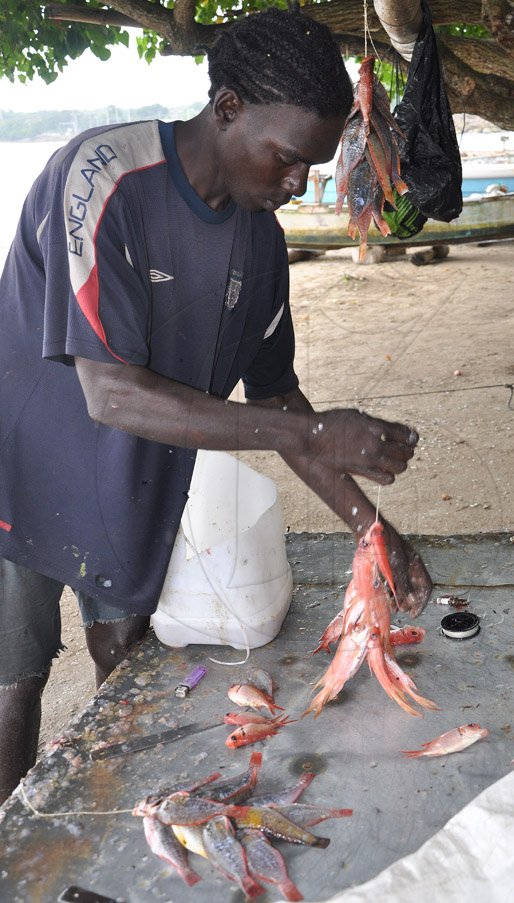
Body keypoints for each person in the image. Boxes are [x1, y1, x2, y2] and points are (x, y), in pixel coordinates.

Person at [0, 7, 432, 804]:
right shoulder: (102, 179)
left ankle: (113, 841)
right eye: (288, 159)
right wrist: (310, 429)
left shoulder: (261, 241)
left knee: (126, 666)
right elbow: (111, 390)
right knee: (12, 681)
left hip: (131, 480)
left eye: (312, 165)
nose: (299, 183)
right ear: (229, 108)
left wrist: (372, 529)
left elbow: (274, 395)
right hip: (19, 463)